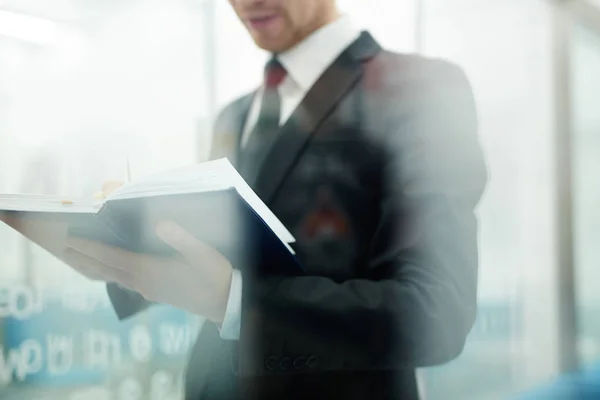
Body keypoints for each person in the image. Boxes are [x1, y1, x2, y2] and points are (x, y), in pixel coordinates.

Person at [62, 0, 488, 399]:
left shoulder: (418, 89)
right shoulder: (234, 116)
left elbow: (437, 312)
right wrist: (124, 255)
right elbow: (223, 263)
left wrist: (232, 300)